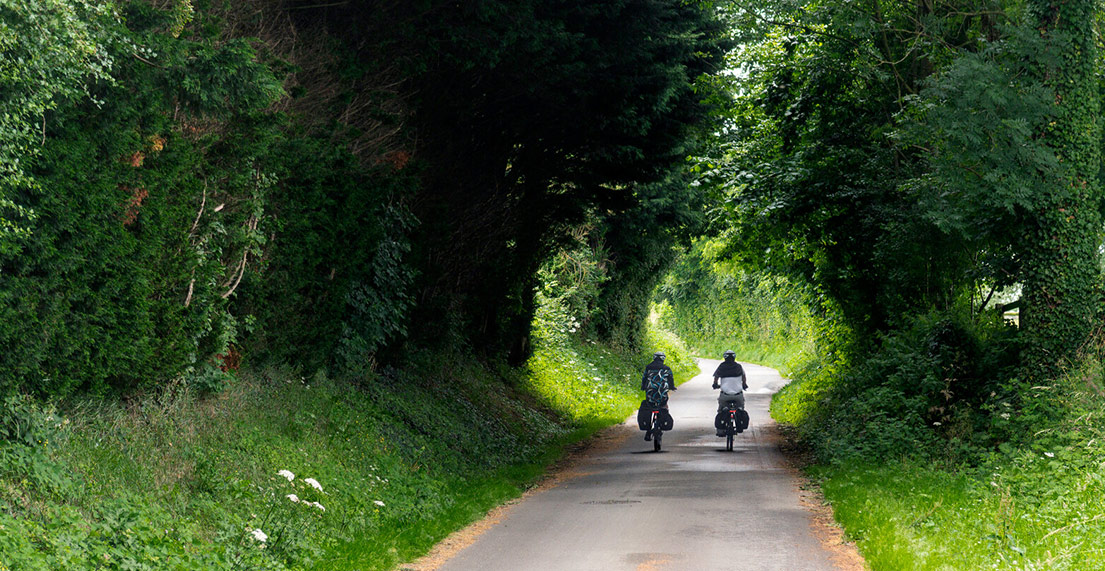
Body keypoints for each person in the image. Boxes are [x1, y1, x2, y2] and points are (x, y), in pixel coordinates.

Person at [640, 351, 676, 441]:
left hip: (650, 393)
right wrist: (672, 387)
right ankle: (662, 421)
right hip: (662, 394)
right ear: (663, 359)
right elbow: (670, 379)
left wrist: (643, 387)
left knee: (649, 406)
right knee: (663, 405)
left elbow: (644, 378)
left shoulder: (648, 367)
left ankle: (648, 430)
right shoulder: (666, 368)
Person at [712, 350, 747, 436]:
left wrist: (715, 384)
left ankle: (720, 430)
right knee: (740, 408)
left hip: (725, 395)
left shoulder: (722, 366)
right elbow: (744, 377)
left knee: (721, 410)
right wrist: (744, 384)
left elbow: (716, 377)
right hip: (738, 395)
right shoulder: (739, 367)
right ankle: (739, 424)